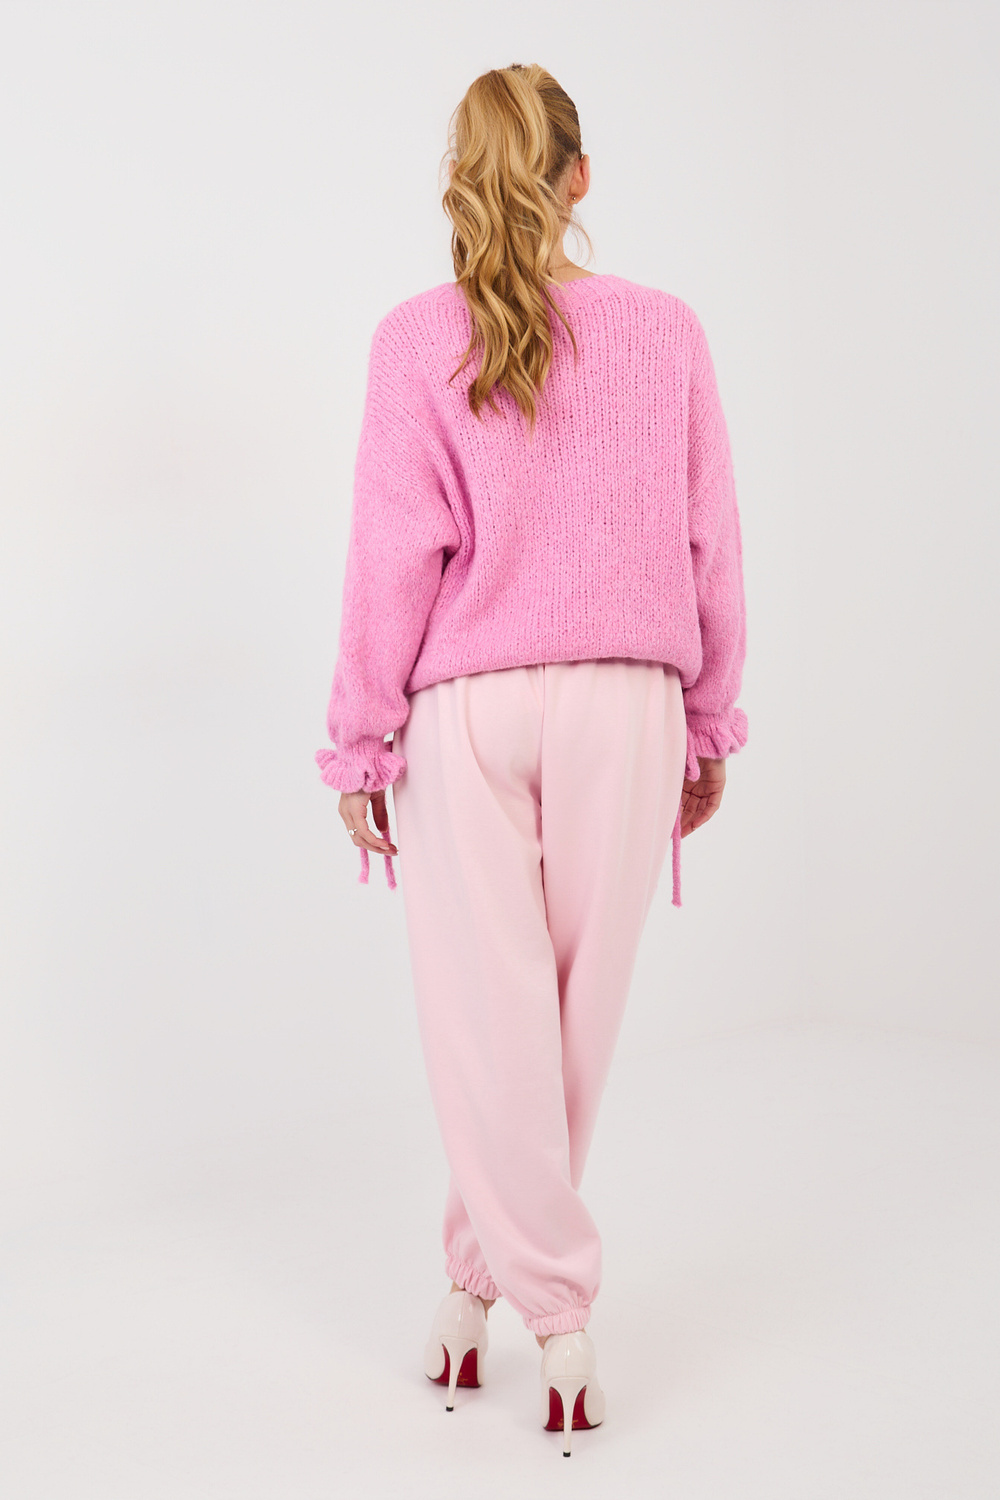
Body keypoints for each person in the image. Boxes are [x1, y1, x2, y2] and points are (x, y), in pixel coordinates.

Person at [314, 62, 749, 1456]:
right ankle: (538, 1310)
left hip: (468, 709)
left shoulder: (413, 340)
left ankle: (495, 1297)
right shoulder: (666, 331)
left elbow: (391, 556)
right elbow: (711, 538)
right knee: (563, 1027)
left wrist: (362, 739)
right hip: (628, 700)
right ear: (578, 177)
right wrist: (710, 714)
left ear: (464, 178)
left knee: (492, 1023)